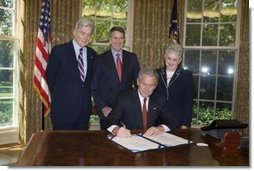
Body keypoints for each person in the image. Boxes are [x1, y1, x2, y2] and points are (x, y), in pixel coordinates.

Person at [45, 18, 97, 130]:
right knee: (61, 146)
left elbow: (90, 82)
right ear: (74, 32)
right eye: (82, 33)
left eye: (89, 34)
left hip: (83, 112)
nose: (85, 37)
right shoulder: (59, 51)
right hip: (63, 111)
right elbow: (50, 78)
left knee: (80, 146)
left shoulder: (93, 55)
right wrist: (64, 97)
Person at [92, 26, 140, 130]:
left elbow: (138, 84)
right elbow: (94, 88)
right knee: (107, 142)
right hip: (107, 110)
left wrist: (135, 104)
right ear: (110, 40)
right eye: (115, 38)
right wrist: (102, 107)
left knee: (127, 141)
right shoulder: (99, 60)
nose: (118, 41)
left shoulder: (132, 58)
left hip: (127, 110)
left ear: (124, 40)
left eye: (121, 38)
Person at [107, 67, 176, 138]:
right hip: (129, 138)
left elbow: (171, 121)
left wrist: (160, 129)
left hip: (152, 140)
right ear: (137, 82)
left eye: (151, 85)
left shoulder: (160, 100)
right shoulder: (124, 98)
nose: (146, 89)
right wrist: (116, 130)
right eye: (144, 84)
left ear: (155, 86)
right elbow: (111, 119)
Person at [155, 43, 194, 129]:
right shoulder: (156, 73)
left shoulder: (186, 76)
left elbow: (188, 103)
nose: (171, 62)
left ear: (179, 60)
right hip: (158, 122)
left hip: (178, 122)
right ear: (165, 57)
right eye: (169, 58)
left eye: (174, 60)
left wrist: (185, 124)